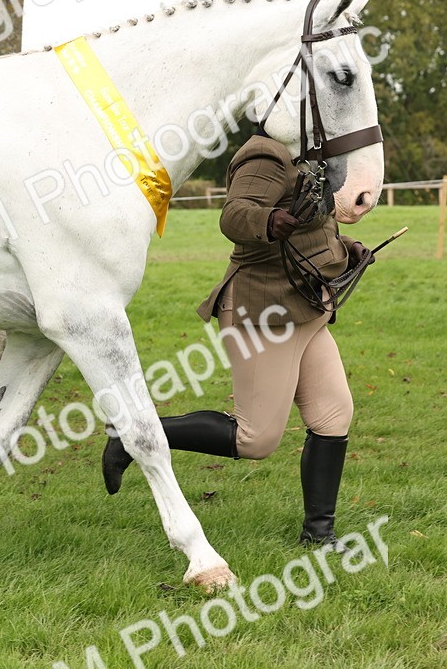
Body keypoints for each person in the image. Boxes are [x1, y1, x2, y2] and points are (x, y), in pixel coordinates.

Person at [101, 134, 375, 550]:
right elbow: (234, 215)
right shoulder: (265, 154)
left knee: (333, 416)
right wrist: (267, 221)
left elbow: (318, 227)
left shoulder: (309, 157)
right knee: (255, 439)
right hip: (264, 313)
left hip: (307, 308)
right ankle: (132, 434)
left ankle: (319, 535)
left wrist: (348, 249)